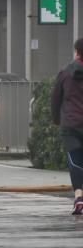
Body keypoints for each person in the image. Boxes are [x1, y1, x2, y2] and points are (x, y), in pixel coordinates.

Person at [50, 38, 83, 215]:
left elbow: (56, 98)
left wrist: (56, 119)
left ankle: (79, 196)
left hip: (71, 123)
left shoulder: (66, 72)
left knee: (76, 160)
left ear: (76, 51)